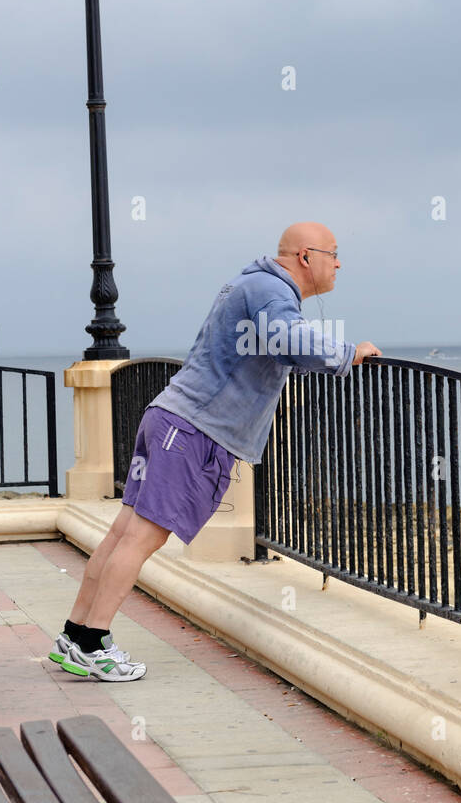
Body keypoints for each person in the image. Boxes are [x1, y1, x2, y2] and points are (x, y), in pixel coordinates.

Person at [49, 221, 382, 681]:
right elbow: (287, 338)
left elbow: (268, 350)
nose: (339, 263)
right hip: (190, 428)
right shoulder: (271, 289)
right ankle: (91, 642)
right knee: (142, 538)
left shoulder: (255, 284)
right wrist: (348, 354)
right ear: (306, 257)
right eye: (333, 253)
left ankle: (76, 634)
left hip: (171, 418)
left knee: (124, 534)